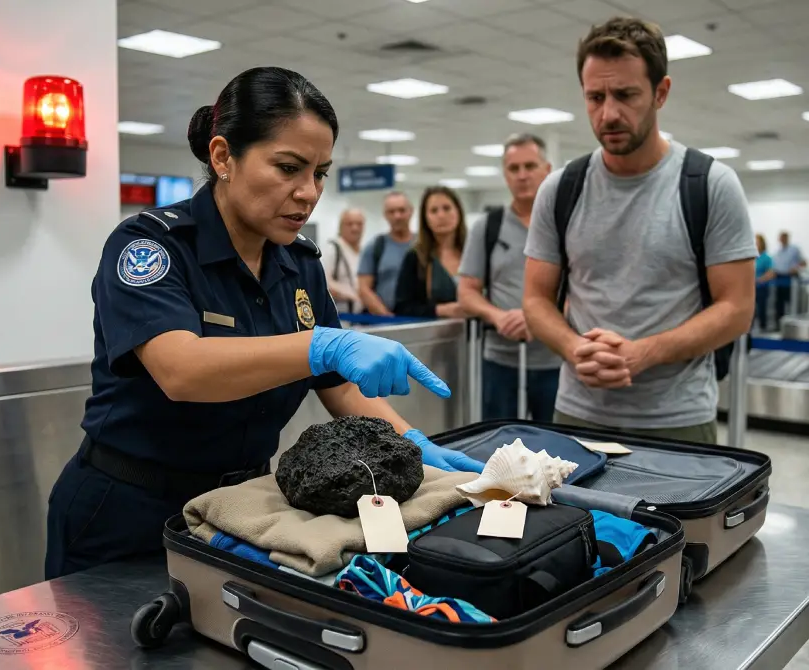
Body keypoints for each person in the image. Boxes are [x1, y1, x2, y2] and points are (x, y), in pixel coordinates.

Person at [44, 67, 482, 580]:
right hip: (127, 510)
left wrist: (412, 444)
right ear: (223, 156)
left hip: (240, 509)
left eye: (319, 173)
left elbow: (337, 387)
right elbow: (181, 369)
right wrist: (320, 345)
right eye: (288, 168)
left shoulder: (299, 264)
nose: (308, 192)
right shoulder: (152, 247)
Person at [522, 16, 756, 444]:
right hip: (578, 413)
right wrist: (575, 350)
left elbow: (737, 307)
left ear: (660, 92)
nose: (608, 113)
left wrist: (643, 354)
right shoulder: (560, 190)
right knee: (576, 515)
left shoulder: (710, 184)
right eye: (595, 97)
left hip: (677, 417)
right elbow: (536, 299)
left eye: (626, 95)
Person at [458, 133, 560, 421]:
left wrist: (537, 317)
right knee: (499, 446)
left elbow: (582, 291)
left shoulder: (564, 224)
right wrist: (497, 316)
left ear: (547, 170)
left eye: (530, 166)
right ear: (505, 174)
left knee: (557, 452)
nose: (522, 175)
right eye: (514, 169)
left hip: (555, 360)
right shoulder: (487, 227)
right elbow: (467, 292)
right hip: (500, 362)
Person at [394, 186, 468, 318]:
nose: (441, 215)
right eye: (434, 211)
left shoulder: (474, 253)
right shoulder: (416, 258)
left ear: (458, 212)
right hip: (436, 334)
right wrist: (440, 310)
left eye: (447, 208)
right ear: (425, 218)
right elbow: (402, 307)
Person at [358, 192, 415, 315]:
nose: (397, 216)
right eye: (391, 212)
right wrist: (386, 316)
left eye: (402, 210)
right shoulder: (375, 246)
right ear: (385, 215)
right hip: (383, 320)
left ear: (411, 211)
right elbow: (364, 289)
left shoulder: (423, 246)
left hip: (421, 320)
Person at [322, 208, 364, 314]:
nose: (355, 228)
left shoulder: (364, 252)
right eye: (350, 224)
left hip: (361, 318)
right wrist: (353, 296)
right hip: (340, 317)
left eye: (359, 224)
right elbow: (323, 282)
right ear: (341, 226)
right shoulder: (333, 248)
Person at [772, 231, 806, 322]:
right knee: (779, 303)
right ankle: (779, 323)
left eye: (784, 237)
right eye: (781, 238)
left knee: (792, 301)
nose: (782, 240)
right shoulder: (777, 253)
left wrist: (796, 268)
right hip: (779, 278)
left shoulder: (794, 250)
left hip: (791, 278)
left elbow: (803, 262)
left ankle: (794, 320)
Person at [753, 234, 775, 331]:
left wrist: (759, 280)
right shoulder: (753, 257)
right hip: (751, 288)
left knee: (762, 308)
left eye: (757, 242)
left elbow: (771, 273)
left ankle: (763, 327)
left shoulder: (766, 258)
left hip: (762, 287)